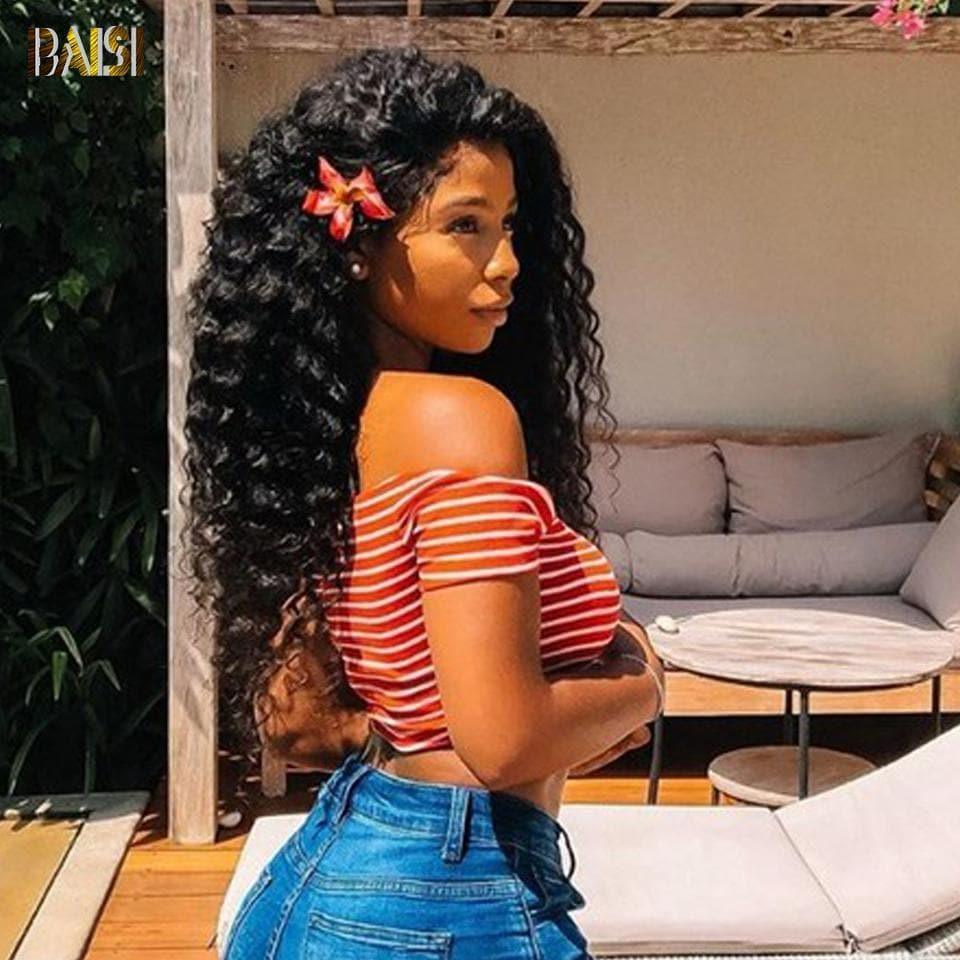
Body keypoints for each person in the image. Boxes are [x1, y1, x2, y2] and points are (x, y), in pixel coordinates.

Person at [182, 44, 665, 960]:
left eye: (510, 225)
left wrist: (508, 718)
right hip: (445, 902)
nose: (508, 262)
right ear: (357, 246)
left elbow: (295, 720)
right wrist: (643, 681)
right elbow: (505, 740)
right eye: (466, 226)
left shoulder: (328, 432)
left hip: (341, 873)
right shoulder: (460, 419)